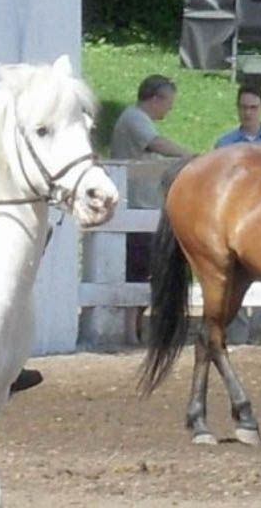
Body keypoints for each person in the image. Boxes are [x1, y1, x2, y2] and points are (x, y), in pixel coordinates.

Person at [110, 75, 193, 339]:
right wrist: (190, 156)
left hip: (143, 205)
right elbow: (157, 144)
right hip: (138, 205)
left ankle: (134, 328)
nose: (170, 108)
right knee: (140, 267)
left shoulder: (134, 118)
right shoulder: (136, 120)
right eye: (168, 101)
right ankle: (131, 328)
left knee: (144, 266)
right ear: (155, 98)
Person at [214, 84, 261, 150]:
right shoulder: (224, 145)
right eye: (244, 107)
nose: (248, 113)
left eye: (253, 107)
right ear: (237, 108)